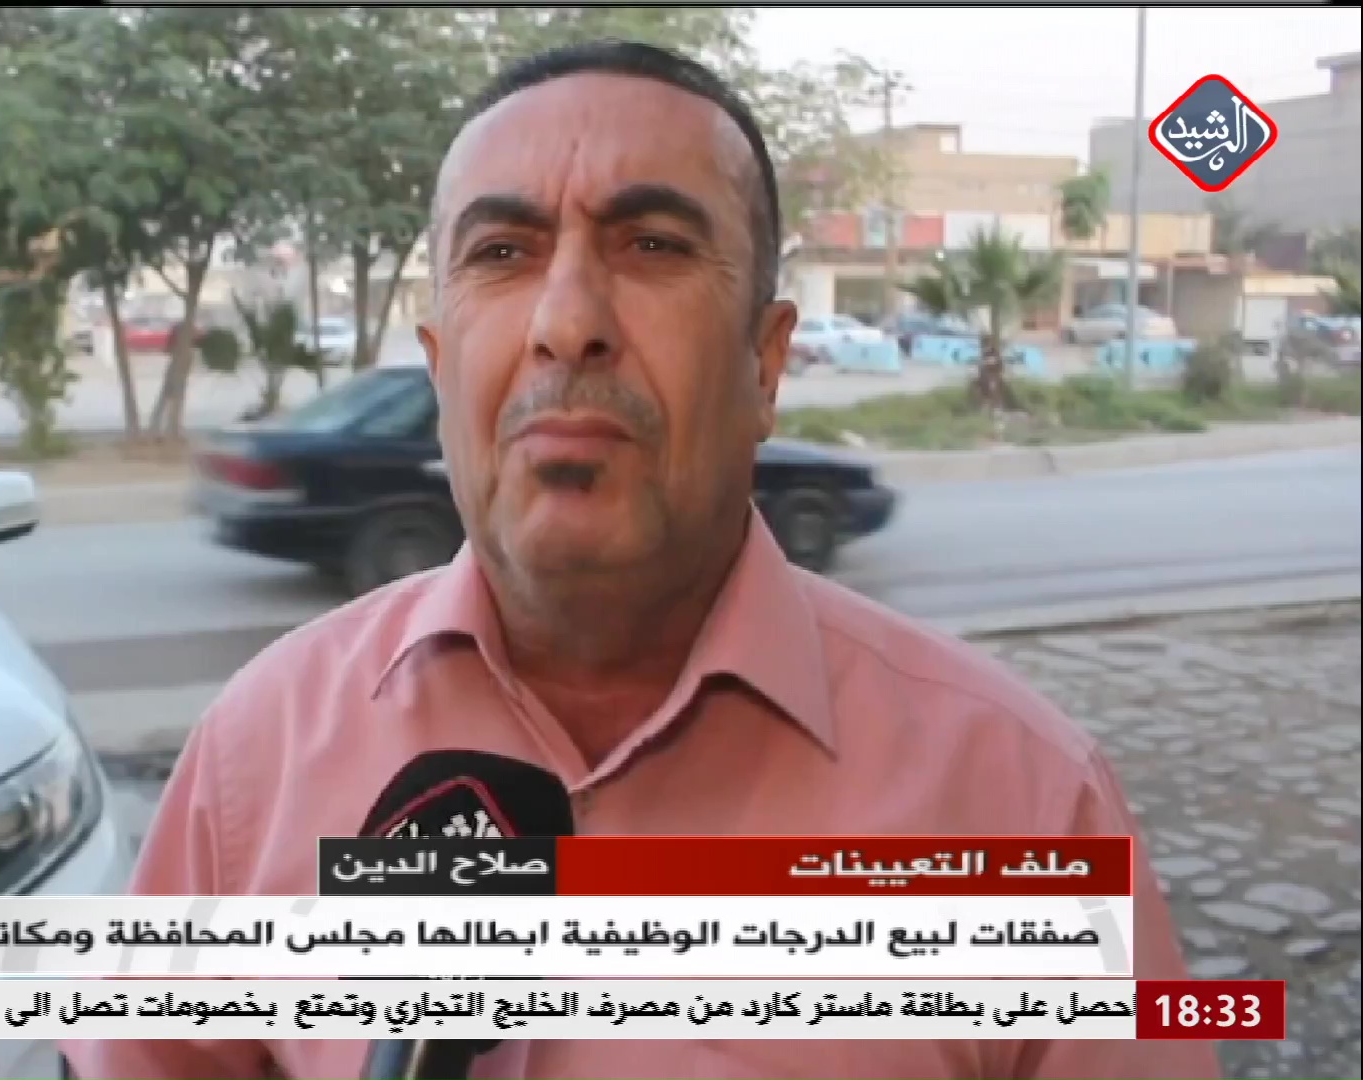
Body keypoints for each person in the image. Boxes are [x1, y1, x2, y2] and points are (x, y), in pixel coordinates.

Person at [63, 41, 1215, 1080]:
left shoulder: (1022, 799)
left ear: (765, 367)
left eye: (653, 245)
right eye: (503, 252)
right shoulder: (257, 753)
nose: (568, 322)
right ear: (439, 364)